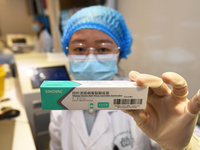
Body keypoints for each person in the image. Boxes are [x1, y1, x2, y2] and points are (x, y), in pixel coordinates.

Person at [49, 5, 200, 150]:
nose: (90, 58)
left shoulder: (143, 99)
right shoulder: (59, 102)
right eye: (80, 49)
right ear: (68, 53)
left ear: (118, 55)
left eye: (103, 49)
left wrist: (185, 147)